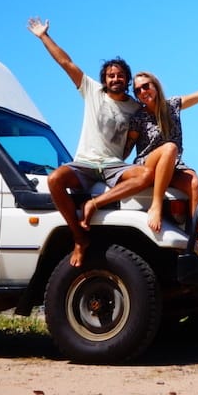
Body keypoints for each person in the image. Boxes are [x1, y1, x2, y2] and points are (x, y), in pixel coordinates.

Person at [82, 70, 198, 268]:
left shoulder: (172, 106)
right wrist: (106, 159)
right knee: (170, 147)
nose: (142, 91)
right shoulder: (138, 117)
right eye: (138, 89)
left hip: (172, 165)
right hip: (147, 164)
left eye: (146, 86)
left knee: (194, 181)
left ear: (155, 86)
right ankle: (156, 205)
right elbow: (126, 148)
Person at [27, 17, 142, 266]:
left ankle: (95, 204)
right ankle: (79, 237)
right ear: (104, 79)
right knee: (55, 179)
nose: (115, 79)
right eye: (111, 75)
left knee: (145, 175)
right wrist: (44, 36)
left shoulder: (136, 107)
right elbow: (65, 62)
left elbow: (137, 136)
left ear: (127, 80)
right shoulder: (91, 90)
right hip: (86, 164)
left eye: (120, 75)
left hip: (114, 165)